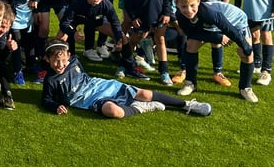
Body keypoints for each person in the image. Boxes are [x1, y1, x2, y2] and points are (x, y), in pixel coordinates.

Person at [41, 38, 212, 118]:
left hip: (100, 86)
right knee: (113, 112)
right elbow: (46, 99)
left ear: (69, 55)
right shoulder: (50, 80)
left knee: (144, 93)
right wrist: (56, 106)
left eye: (63, 60)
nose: (60, 64)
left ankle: (187, 105)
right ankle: (141, 108)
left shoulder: (74, 60)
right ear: (47, 59)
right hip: (88, 101)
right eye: (56, 61)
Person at [174, 0, 258, 103]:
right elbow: (191, 34)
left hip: (235, 20)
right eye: (183, 7)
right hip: (215, 26)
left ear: (199, 1)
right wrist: (218, 38)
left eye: (192, 5)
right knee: (191, 44)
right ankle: (190, 83)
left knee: (247, 54)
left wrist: (246, 47)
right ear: (177, 4)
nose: (188, 10)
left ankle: (245, 88)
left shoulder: (208, 13)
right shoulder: (180, 16)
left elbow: (229, 29)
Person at [1, 0, 44, 85]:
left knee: (30, 43)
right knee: (17, 45)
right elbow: (6, 4)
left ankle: (30, 65)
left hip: (27, 20)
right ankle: (17, 71)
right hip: (14, 23)